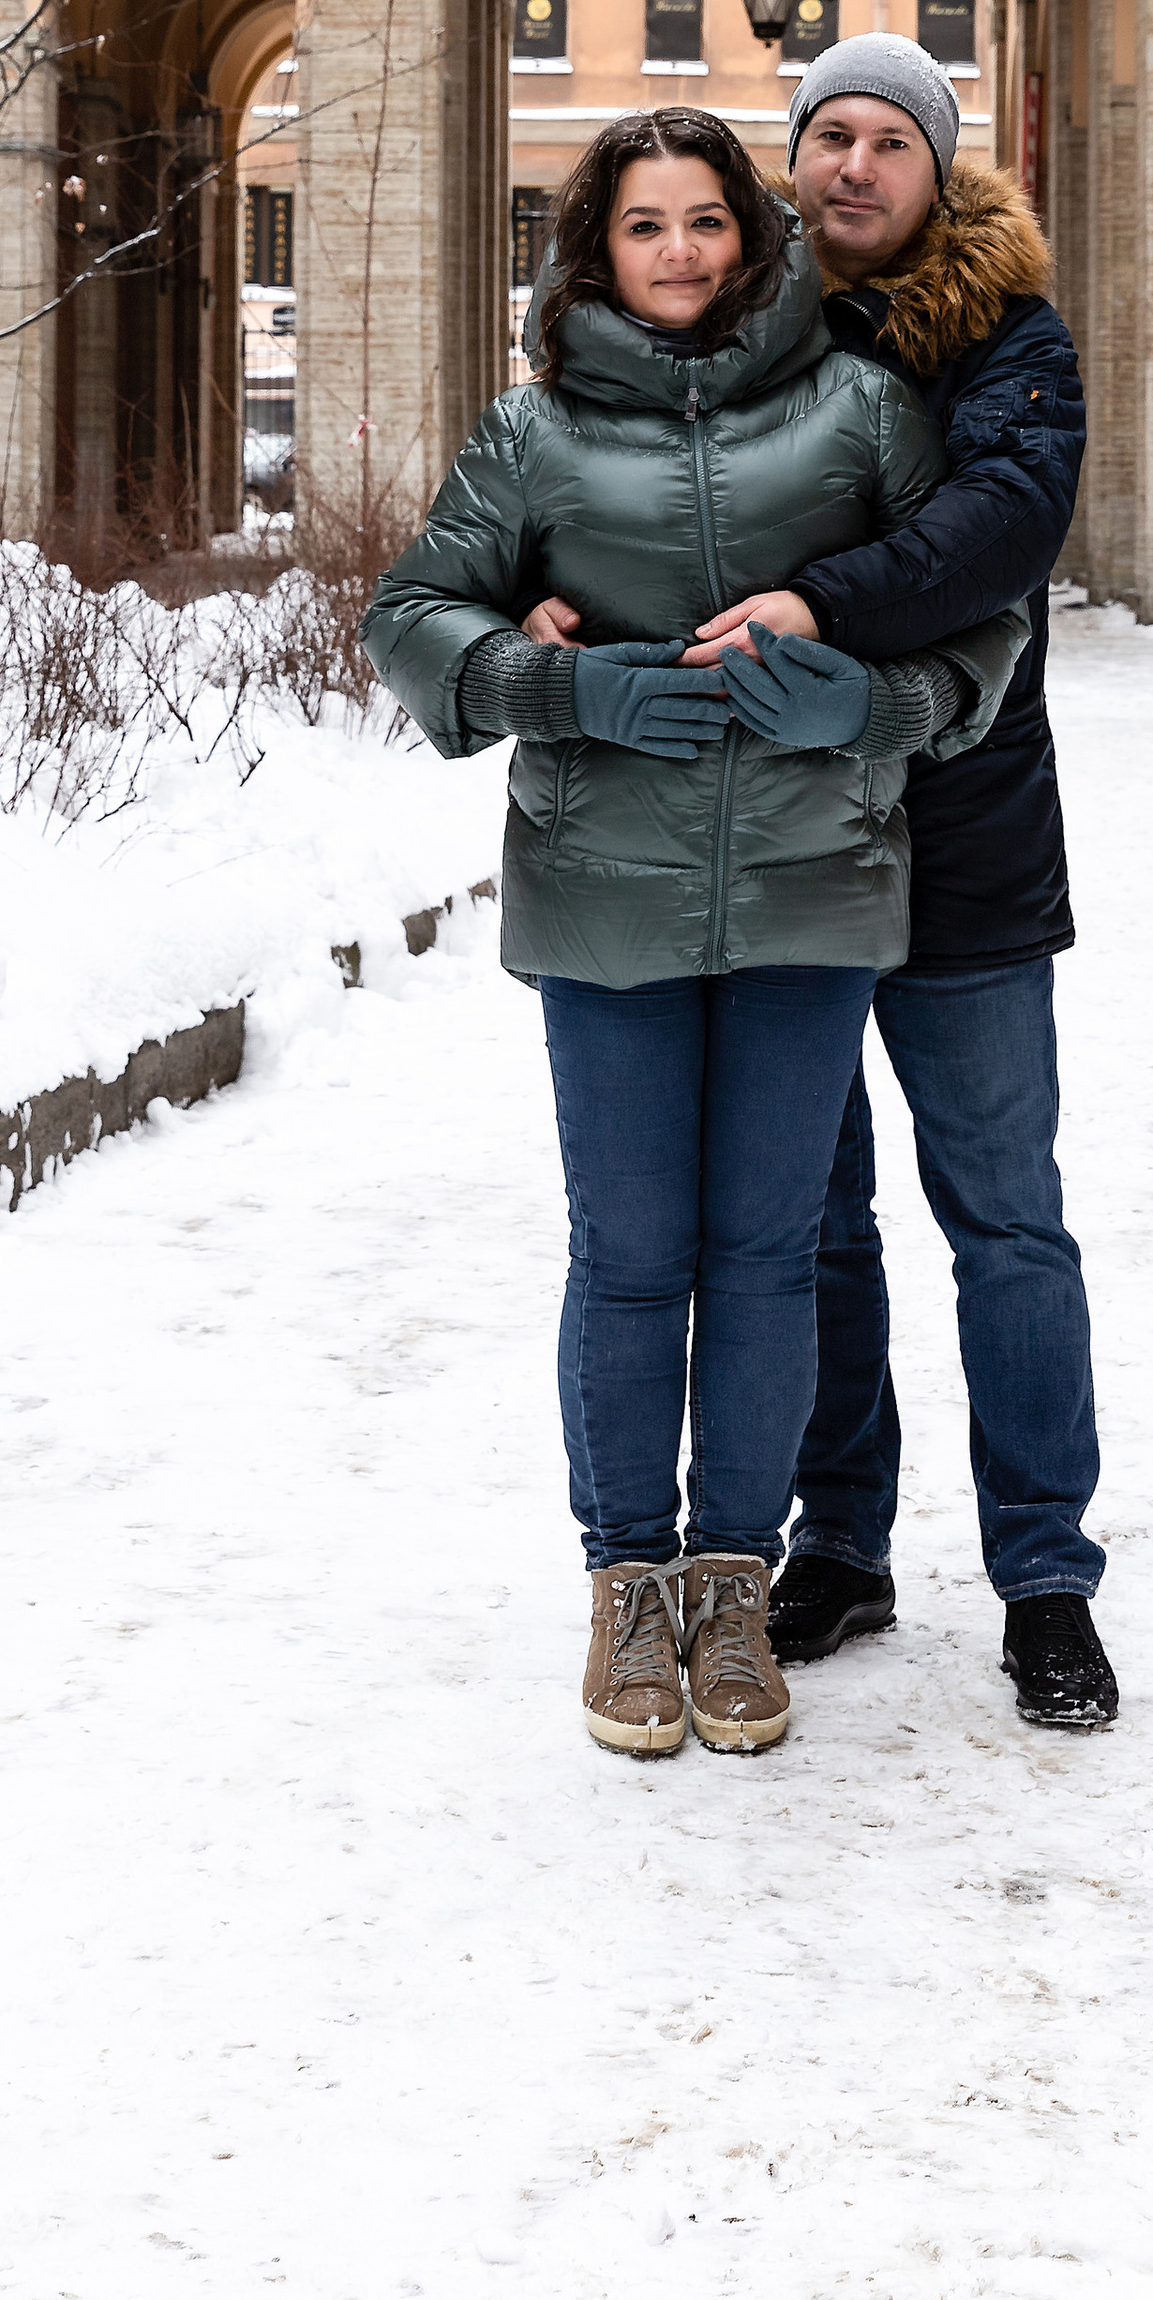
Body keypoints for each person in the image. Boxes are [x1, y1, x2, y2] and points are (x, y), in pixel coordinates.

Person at [363, 107, 1024, 1762]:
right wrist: (559, 682)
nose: (678, 252)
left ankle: (737, 1585)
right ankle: (627, 1590)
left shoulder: (863, 412)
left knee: (767, 1251)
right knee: (634, 1254)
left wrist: (871, 701)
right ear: (598, 250)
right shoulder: (532, 440)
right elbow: (409, 620)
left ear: (755, 236)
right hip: (606, 900)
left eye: (706, 222)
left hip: (814, 889)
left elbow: (987, 637)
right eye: (644, 226)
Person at [526, 35, 1114, 1731]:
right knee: (809, 1227)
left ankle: (1045, 1577)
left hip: (964, 833)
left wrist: (816, 606)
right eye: (827, 137)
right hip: (783, 843)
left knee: (1004, 1216)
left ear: (942, 170)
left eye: (889, 142)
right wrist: (550, 601)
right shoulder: (744, 328)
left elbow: (999, 531)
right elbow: (615, 494)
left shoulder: (1008, 340)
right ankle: (840, 1547)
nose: (852, 166)